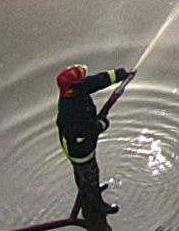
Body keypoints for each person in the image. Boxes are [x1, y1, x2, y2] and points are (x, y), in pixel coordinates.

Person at [54, 62, 135, 218]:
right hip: (79, 149)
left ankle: (84, 193)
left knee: (80, 172)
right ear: (74, 87)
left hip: (78, 143)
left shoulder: (75, 90)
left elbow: (97, 81)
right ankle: (96, 203)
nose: (85, 81)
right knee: (90, 173)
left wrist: (120, 74)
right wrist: (101, 125)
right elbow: (84, 129)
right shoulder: (70, 110)